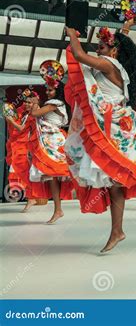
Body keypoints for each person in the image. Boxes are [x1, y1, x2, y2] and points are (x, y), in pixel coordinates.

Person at [64, 26, 136, 252]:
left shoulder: (110, 65)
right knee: (114, 181)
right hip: (113, 124)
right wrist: (124, 29)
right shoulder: (114, 65)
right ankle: (117, 231)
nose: (99, 47)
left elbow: (80, 56)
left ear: (114, 51)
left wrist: (73, 35)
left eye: (103, 45)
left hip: (113, 127)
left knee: (115, 179)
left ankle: (117, 230)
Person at [29, 61, 74, 224]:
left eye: (50, 90)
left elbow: (35, 114)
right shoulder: (54, 103)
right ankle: (58, 210)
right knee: (54, 177)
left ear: (57, 90)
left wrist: (34, 101)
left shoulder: (55, 103)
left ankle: (59, 209)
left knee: (60, 173)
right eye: (47, 89)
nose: (47, 92)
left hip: (54, 142)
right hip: (50, 140)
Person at [4, 92, 43, 211]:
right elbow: (17, 111)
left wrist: (10, 119)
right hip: (19, 146)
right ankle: (30, 197)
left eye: (29, 102)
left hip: (25, 146)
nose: (25, 104)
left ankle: (31, 197)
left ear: (35, 103)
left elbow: (20, 129)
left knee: (21, 171)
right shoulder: (26, 113)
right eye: (25, 101)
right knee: (22, 172)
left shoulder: (33, 115)